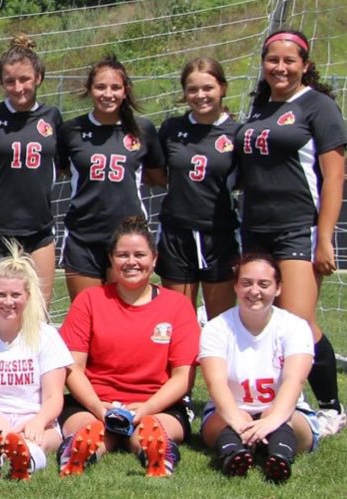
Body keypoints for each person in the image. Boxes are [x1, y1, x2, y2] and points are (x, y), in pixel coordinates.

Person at [235, 29, 344, 428]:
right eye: (272, 60)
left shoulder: (318, 106)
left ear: (305, 65)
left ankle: (332, 408)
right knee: (263, 317)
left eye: (289, 61)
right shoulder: (259, 109)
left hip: (297, 228)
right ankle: (279, 401)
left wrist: (325, 238)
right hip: (254, 229)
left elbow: (334, 177)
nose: (280, 67)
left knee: (299, 324)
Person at [58, 216, 199, 478]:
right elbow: (72, 368)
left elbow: (183, 377)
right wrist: (99, 407)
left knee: (148, 430)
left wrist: (145, 409)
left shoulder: (177, 306)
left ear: (154, 259)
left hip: (157, 404)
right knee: (91, 429)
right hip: (95, 402)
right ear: (111, 259)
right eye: (123, 255)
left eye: (140, 254)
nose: (131, 262)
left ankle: (157, 453)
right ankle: (79, 452)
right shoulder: (90, 300)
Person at [199, 255, 319, 484]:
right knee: (231, 417)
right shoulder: (216, 328)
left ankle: (280, 456)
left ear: (278, 288)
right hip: (230, 413)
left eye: (264, 284)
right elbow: (216, 384)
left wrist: (270, 420)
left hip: (284, 413)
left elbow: (294, 381)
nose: (254, 291)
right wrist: (239, 421)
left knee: (282, 419)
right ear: (235, 286)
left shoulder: (295, 326)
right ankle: (234, 455)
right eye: (246, 283)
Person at [57, 56, 164, 300]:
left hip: (127, 237)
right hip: (83, 236)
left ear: (125, 91)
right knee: (88, 314)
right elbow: (64, 169)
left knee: (125, 316)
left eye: (115, 87)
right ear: (89, 89)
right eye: (100, 87)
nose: (108, 94)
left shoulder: (142, 129)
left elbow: (156, 175)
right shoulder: (71, 130)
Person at [0, 245, 71, 480]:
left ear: (28, 296)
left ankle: (26, 459)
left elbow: (54, 397)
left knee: (41, 439)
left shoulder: (46, 335)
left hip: (32, 416)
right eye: (0, 294)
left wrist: (39, 421)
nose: (8, 301)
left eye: (15, 295)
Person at [0, 35, 62, 303]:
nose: (18, 87)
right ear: (1, 82)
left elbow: (61, 164)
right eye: (10, 81)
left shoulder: (52, 116)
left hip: (38, 228)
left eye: (25, 79)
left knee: (38, 309)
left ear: (39, 78)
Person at [154, 57, 240, 320]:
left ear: (222, 88)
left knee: (222, 323)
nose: (200, 95)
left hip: (219, 235)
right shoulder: (171, 129)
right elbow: (157, 174)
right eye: (193, 89)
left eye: (208, 88)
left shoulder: (237, 132)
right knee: (178, 322)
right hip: (176, 234)